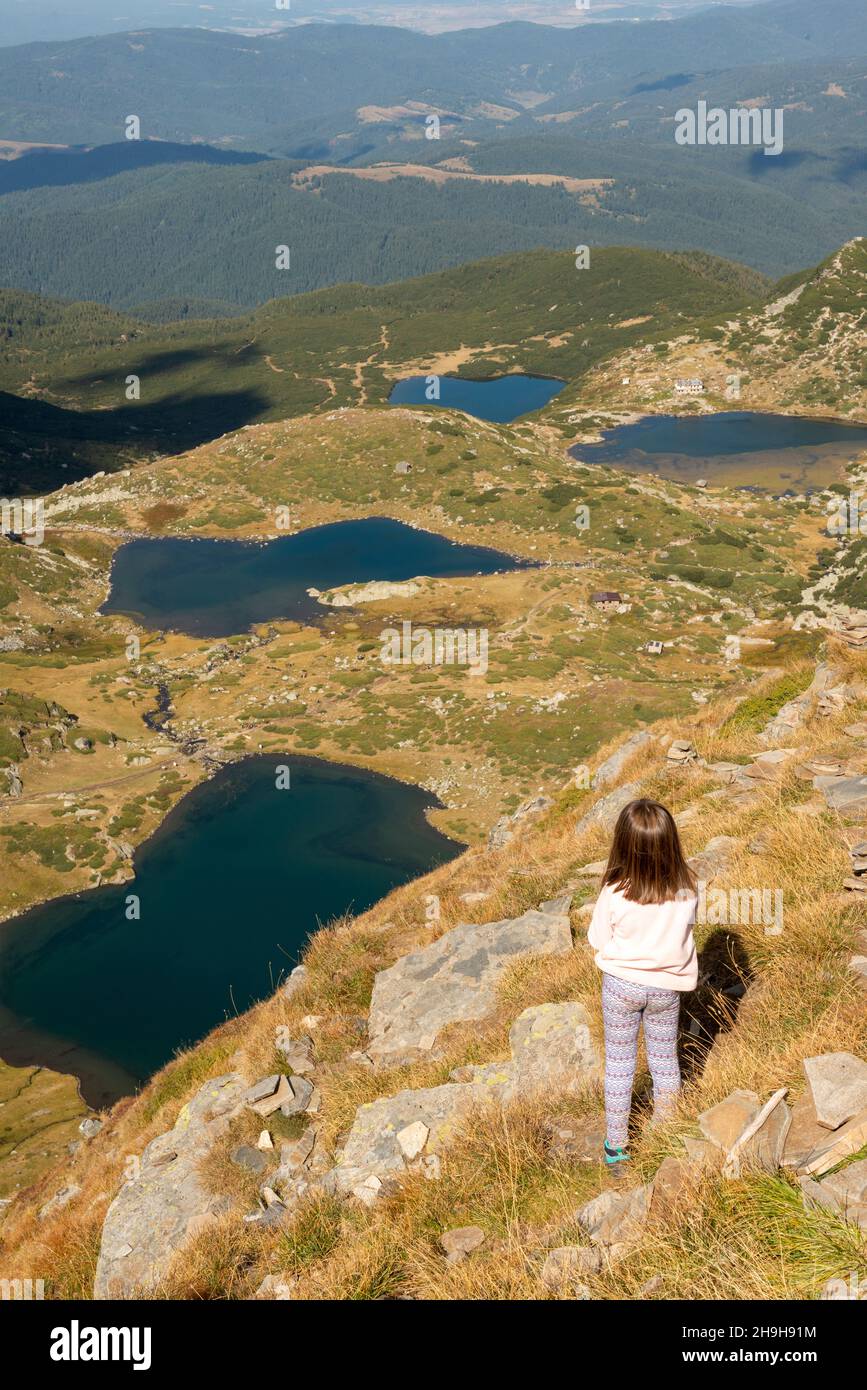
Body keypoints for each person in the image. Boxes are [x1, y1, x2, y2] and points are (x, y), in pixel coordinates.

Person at [587, 798, 698, 1168]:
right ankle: (665, 1134)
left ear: (622, 843)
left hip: (621, 985)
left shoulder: (615, 890)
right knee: (665, 1060)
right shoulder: (686, 887)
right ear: (671, 843)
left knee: (620, 1065)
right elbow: (687, 931)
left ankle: (616, 1148)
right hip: (667, 987)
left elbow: (598, 939)